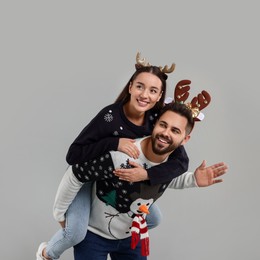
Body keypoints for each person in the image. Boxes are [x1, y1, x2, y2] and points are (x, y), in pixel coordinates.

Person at [36, 52, 190, 260]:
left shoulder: (157, 120)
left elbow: (180, 162)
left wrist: (146, 175)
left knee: (154, 218)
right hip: (89, 177)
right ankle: (47, 253)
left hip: (119, 180)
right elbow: (73, 156)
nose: (145, 95)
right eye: (140, 87)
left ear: (159, 96)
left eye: (153, 91)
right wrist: (115, 143)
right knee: (75, 232)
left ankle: (116, 235)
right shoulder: (109, 117)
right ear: (130, 87)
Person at [66, 101, 228, 259]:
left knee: (155, 217)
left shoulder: (168, 165)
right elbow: (75, 173)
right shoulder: (124, 154)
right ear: (155, 124)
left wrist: (193, 180)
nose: (166, 133)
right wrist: (62, 214)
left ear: (185, 140)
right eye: (163, 125)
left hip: (131, 236)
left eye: (175, 130)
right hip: (94, 235)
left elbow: (165, 180)